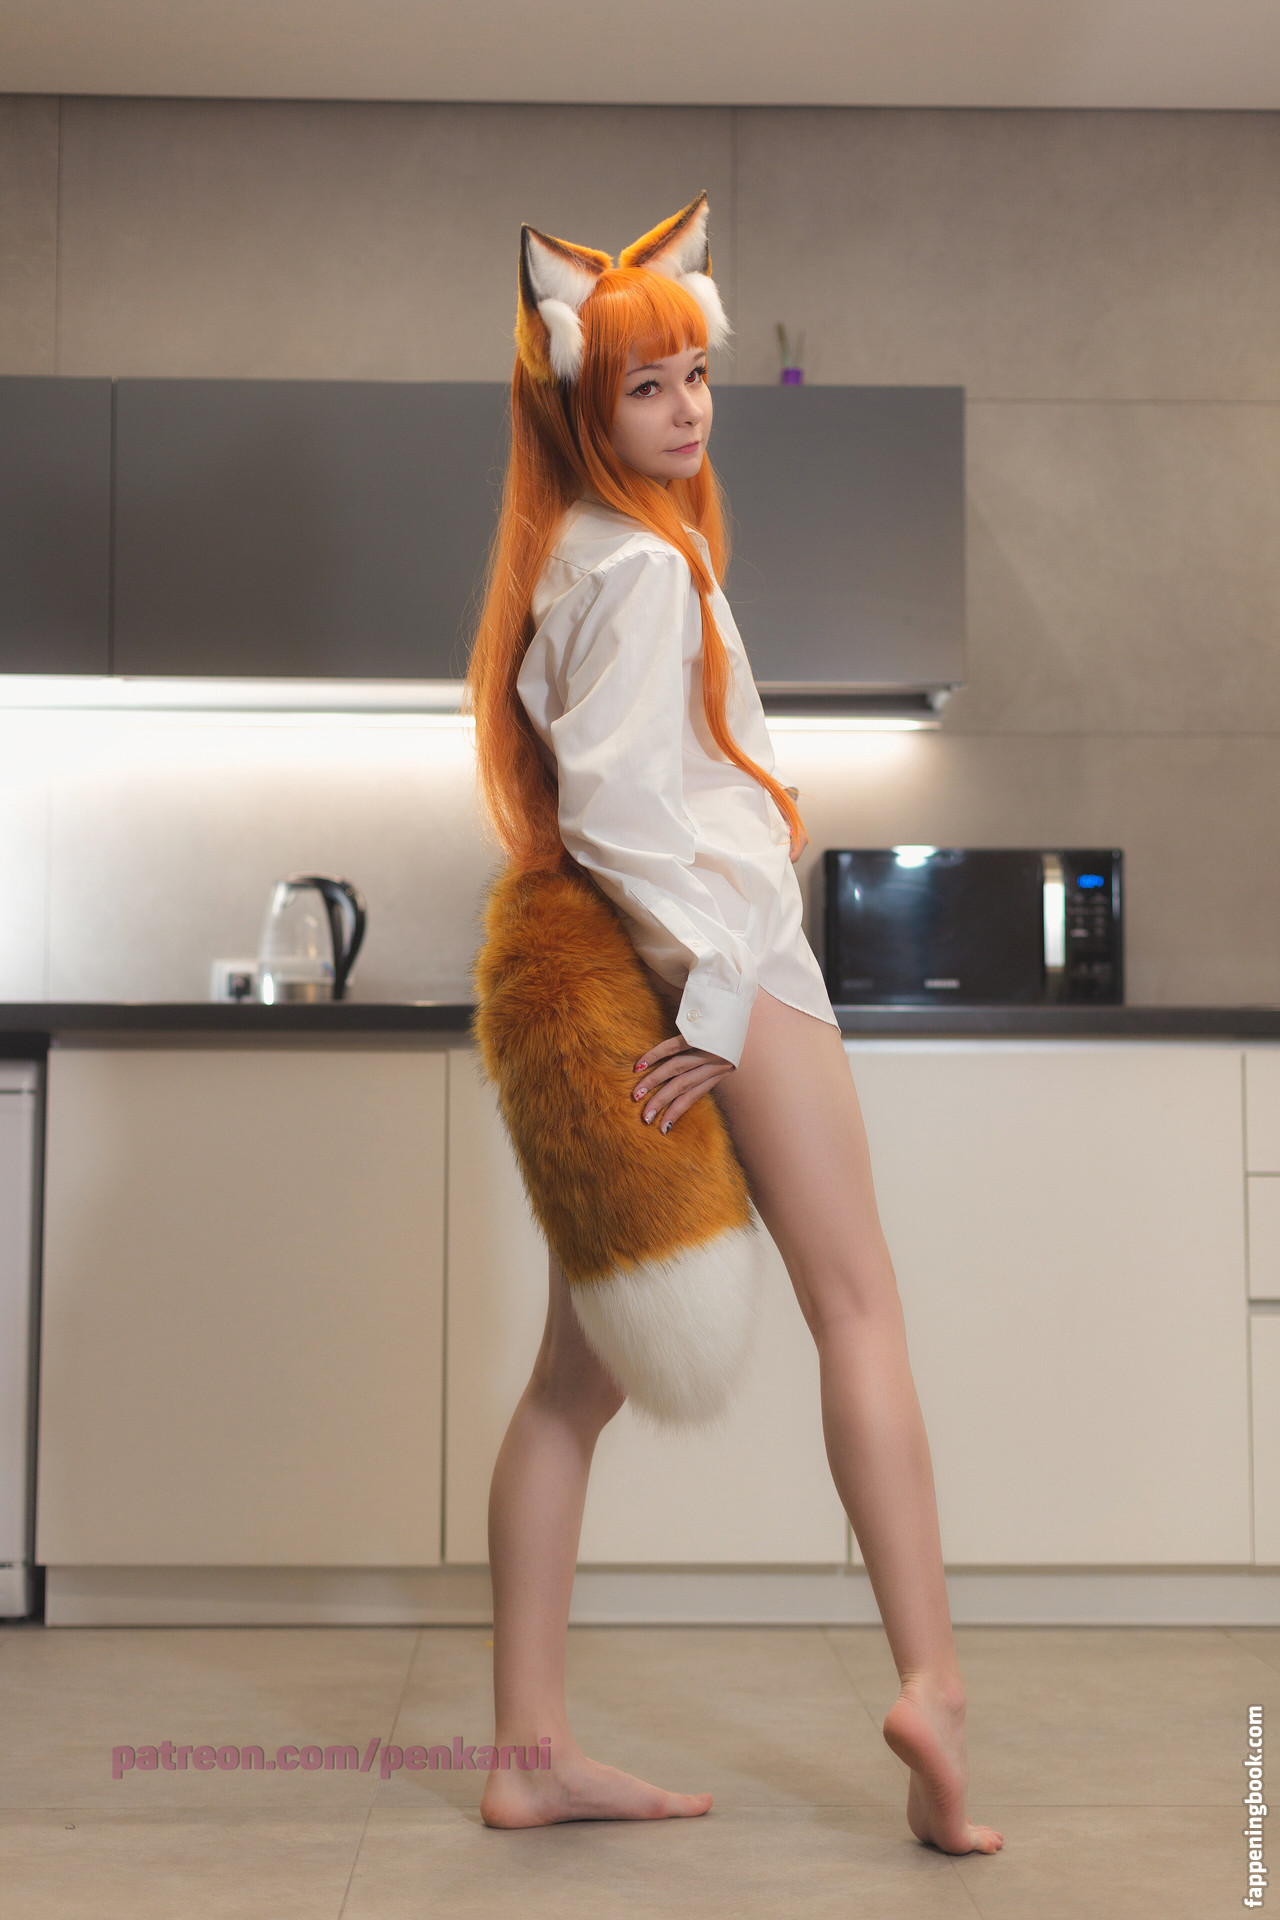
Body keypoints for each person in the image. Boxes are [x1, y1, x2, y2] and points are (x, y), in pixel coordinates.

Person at [462, 193, 1003, 1857]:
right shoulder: (637, 570)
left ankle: (529, 1753)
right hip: (733, 966)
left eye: (695, 376)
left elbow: (616, 807)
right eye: (648, 387)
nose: (688, 408)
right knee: (862, 1305)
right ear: (583, 405)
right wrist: (716, 996)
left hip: (669, 972)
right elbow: (630, 817)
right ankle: (933, 1685)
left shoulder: (590, 557)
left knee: (570, 1387)